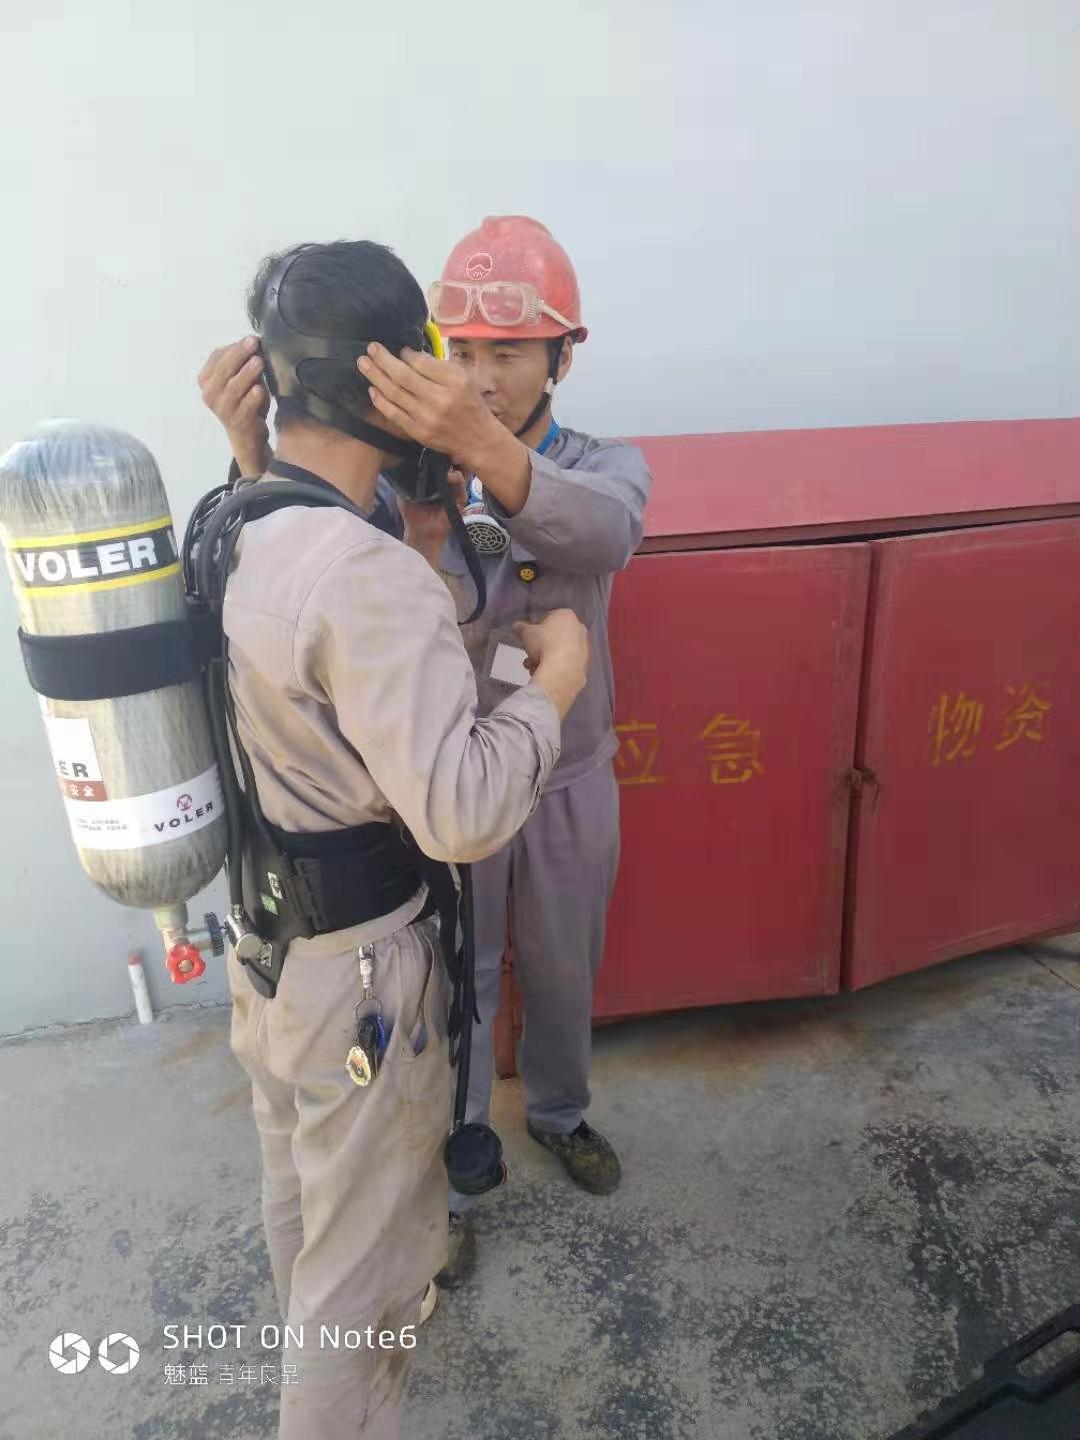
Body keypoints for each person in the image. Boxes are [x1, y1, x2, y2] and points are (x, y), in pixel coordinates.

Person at [198, 215, 651, 1291]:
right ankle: (451, 1162)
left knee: (563, 963)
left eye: (512, 352)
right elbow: (307, 544)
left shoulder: (599, 467)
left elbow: (607, 536)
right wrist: (254, 454)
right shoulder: (392, 478)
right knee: (456, 978)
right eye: (466, 350)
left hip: (566, 769)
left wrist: (484, 452)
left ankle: (560, 1112)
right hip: (443, 775)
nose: (484, 377)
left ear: (563, 355)